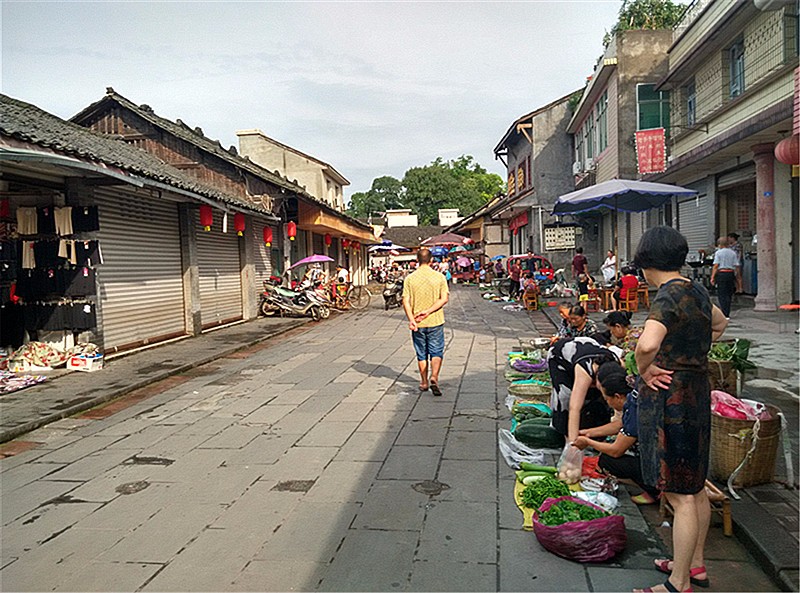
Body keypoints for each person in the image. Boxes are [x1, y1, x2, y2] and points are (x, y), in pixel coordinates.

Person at [632, 226, 728, 593]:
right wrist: (691, 351)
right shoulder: (696, 290)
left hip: (670, 396)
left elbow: (646, 345)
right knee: (695, 485)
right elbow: (720, 324)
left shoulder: (667, 295)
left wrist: (646, 367)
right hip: (696, 390)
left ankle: (678, 583)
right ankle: (695, 565)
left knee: (678, 492)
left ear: (645, 262)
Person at [574, 362, 660, 505]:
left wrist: (588, 442)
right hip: (656, 455)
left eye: (608, 400)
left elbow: (616, 451)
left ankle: (654, 490)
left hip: (656, 462)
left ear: (617, 396)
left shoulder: (634, 409)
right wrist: (586, 433)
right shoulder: (633, 397)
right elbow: (619, 425)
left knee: (607, 461)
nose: (608, 404)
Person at [547, 336, 621, 441]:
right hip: (561, 356)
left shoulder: (618, 367)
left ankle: (593, 427)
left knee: (595, 399)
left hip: (588, 346)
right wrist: (573, 443)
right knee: (566, 396)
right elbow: (574, 408)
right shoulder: (585, 371)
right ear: (597, 380)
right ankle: (563, 431)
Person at [402, 247, 450, 397]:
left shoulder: (410, 278)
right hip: (435, 321)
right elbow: (444, 299)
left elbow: (406, 301)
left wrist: (411, 320)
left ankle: (424, 382)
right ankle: (434, 377)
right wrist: (429, 311)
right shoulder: (439, 277)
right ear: (431, 260)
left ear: (417, 260)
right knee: (436, 351)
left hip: (417, 323)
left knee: (421, 353)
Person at [710, 236, 742, 318]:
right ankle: (727, 311)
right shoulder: (733, 253)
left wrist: (712, 277)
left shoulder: (718, 253)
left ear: (719, 244)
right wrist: (738, 279)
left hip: (722, 273)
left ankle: (724, 312)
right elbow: (737, 266)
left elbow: (716, 265)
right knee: (729, 293)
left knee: (722, 294)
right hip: (730, 274)